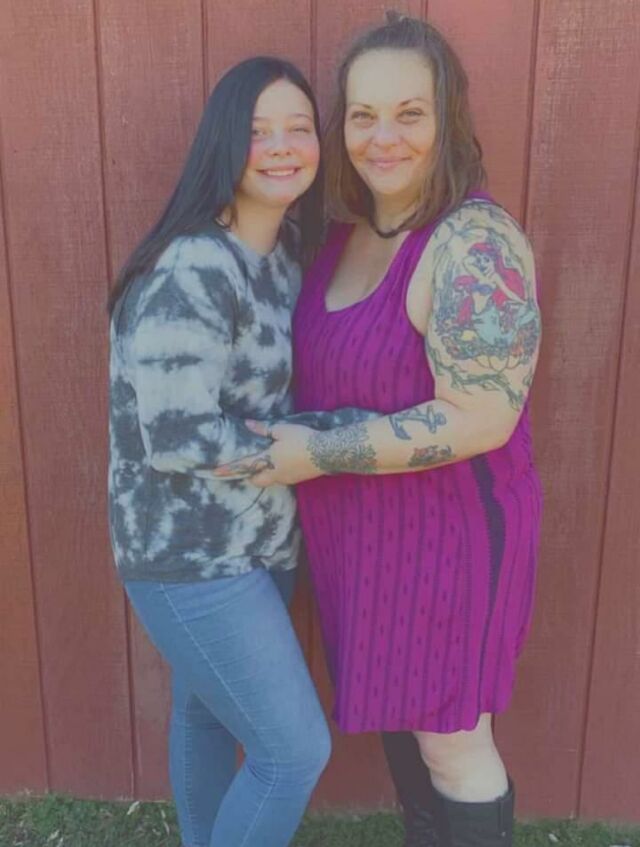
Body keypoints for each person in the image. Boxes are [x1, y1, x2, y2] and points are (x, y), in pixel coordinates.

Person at [213, 14, 543, 847]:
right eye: (363, 115)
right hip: (366, 539)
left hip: (449, 537)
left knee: (452, 741)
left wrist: (314, 453)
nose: (382, 136)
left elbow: (483, 414)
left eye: (409, 113)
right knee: (405, 722)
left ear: (447, 119)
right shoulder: (345, 232)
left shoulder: (473, 243)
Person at [107, 57, 331, 847]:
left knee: (204, 715)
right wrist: (314, 454)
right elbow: (178, 435)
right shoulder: (194, 264)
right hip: (189, 554)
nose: (282, 145)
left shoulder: (284, 252)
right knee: (293, 752)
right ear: (223, 143)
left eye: (299, 127)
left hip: (259, 540)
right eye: (258, 130)